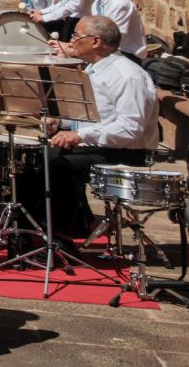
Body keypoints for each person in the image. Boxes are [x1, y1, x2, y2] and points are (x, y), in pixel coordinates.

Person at [41, 15, 161, 237]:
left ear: (96, 41)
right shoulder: (95, 69)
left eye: (77, 35)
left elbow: (131, 128)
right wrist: (60, 122)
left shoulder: (126, 75)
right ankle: (74, 224)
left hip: (125, 152)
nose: (72, 40)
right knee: (36, 157)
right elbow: (92, 115)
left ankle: (61, 238)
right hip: (99, 144)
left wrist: (78, 135)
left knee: (57, 166)